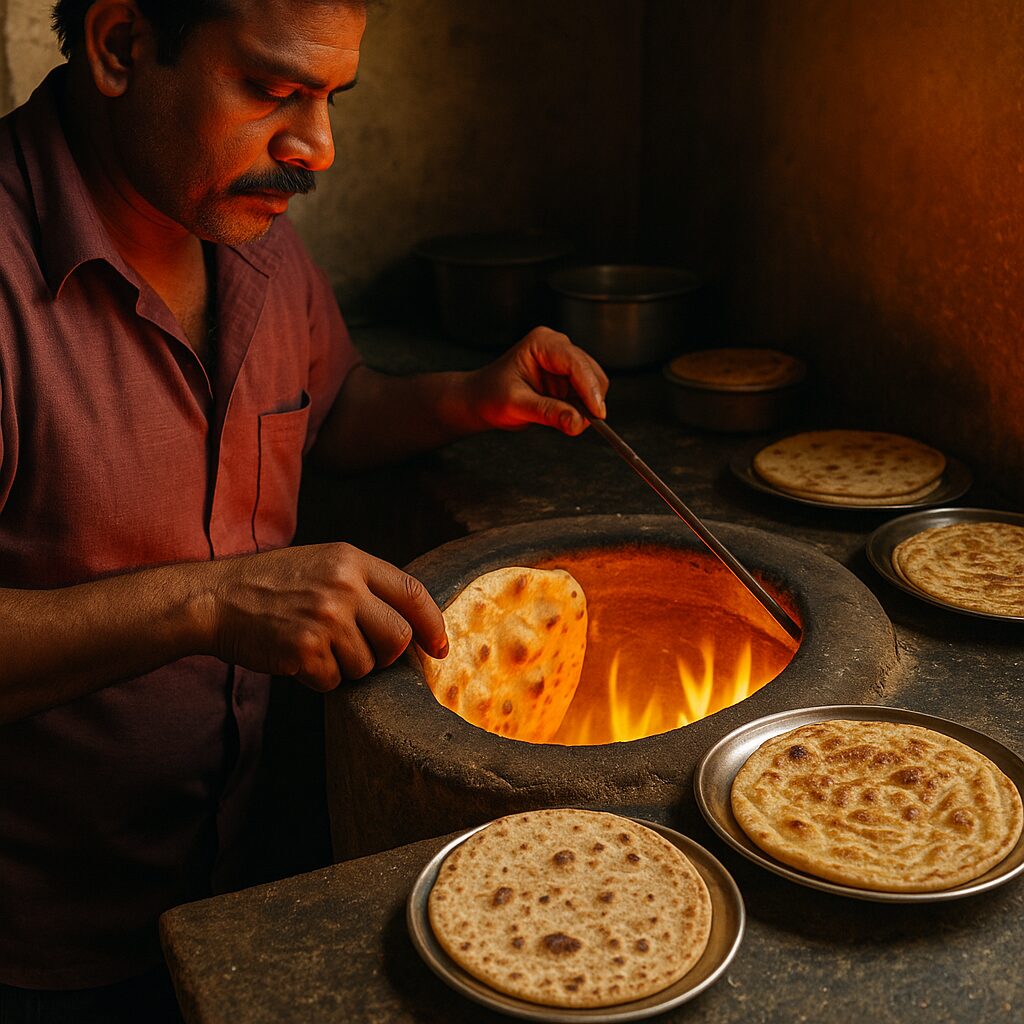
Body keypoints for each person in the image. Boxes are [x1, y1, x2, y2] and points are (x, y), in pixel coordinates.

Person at [0, 0, 609, 1019]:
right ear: (119, 46)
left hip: (239, 881)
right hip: (39, 945)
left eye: (331, 98)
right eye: (273, 90)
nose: (315, 148)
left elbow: (329, 412)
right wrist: (212, 603)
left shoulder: (248, 232)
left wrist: (469, 395)